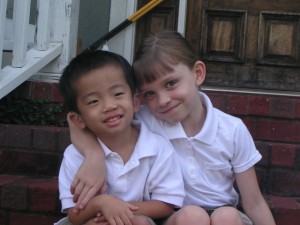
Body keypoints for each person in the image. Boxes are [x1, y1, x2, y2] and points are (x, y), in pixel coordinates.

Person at [68, 30, 276, 225]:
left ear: (197, 73)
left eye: (171, 84)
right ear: (139, 98)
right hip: (172, 216)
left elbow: (254, 202)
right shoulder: (146, 118)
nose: (163, 100)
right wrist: (93, 155)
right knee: (192, 217)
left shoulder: (232, 130)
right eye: (150, 93)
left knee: (227, 217)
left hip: (225, 214)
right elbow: (79, 124)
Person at [55, 50, 185, 225]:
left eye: (117, 94)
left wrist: (119, 209)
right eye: (94, 101)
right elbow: (75, 215)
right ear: (78, 119)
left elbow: (166, 204)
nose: (109, 106)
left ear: (136, 101)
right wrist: (103, 204)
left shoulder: (156, 147)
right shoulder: (75, 156)